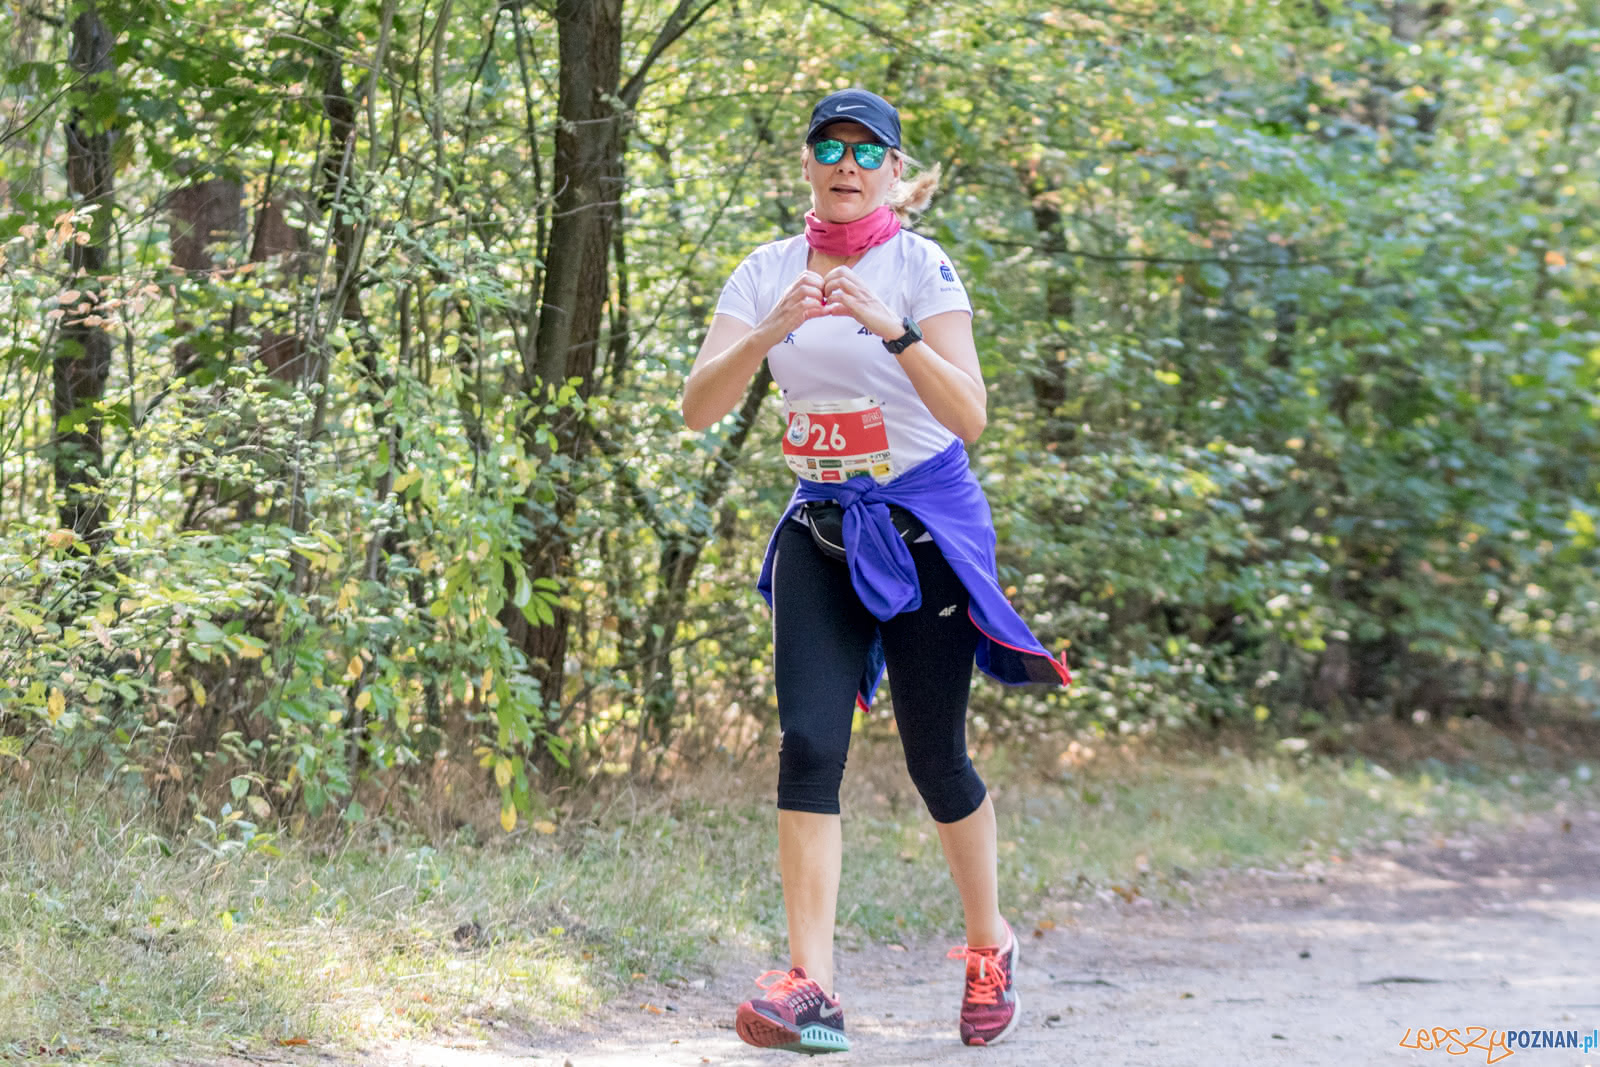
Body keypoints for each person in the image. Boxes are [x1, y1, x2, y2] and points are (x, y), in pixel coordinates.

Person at [681, 87, 1070, 1055]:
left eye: (867, 151)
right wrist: (772, 329)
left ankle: (990, 943)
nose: (845, 165)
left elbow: (970, 414)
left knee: (936, 757)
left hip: (923, 525)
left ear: (895, 169)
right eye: (828, 147)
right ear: (805, 163)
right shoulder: (764, 270)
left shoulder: (919, 266)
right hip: (819, 525)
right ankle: (812, 984)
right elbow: (698, 406)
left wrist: (890, 330)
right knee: (808, 743)